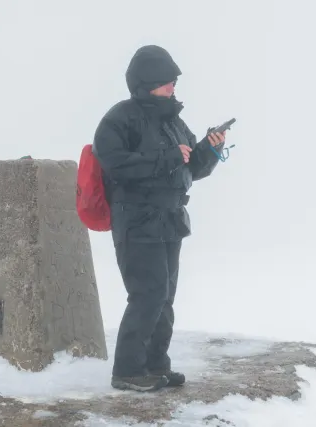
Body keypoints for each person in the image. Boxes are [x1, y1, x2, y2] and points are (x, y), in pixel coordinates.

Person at [92, 45, 227, 392]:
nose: (173, 86)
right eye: (166, 80)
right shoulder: (120, 118)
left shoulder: (173, 121)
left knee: (165, 295)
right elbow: (116, 164)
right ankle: (127, 370)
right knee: (147, 295)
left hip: (169, 220)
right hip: (136, 220)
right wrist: (166, 158)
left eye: (173, 81)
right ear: (146, 81)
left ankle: (154, 365)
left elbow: (189, 169)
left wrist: (208, 150)